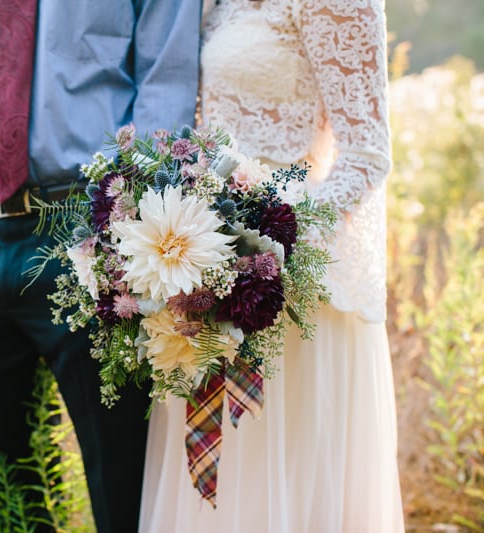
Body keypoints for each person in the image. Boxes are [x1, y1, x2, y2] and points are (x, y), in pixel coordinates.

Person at [0, 1, 201, 531]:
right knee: (3, 490)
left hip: (88, 232)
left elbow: (166, 83)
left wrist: (126, 231)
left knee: (124, 485)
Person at [140, 0, 405, 531]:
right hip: (204, 265)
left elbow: (367, 152)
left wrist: (273, 245)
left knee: (276, 481)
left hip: (288, 285)